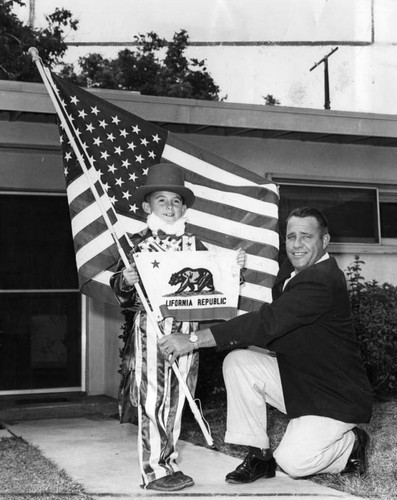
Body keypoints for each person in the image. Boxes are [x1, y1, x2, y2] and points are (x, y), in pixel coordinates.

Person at [159, 206, 373, 483]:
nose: (296, 245)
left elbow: (266, 323)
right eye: (291, 236)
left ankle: (351, 444)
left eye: (306, 236)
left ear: (325, 240)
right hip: (301, 380)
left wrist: (193, 340)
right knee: (239, 362)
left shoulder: (322, 280)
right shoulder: (294, 269)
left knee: (293, 463)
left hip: (334, 396)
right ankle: (259, 458)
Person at [110, 162, 245, 491]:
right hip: (151, 332)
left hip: (187, 333)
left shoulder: (195, 245)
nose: (169, 208)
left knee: (177, 399)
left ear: (183, 207)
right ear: (147, 206)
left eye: (175, 201)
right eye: (161, 201)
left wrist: (234, 268)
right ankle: (153, 471)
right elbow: (120, 293)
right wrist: (125, 280)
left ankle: (168, 463)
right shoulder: (136, 245)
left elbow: (216, 286)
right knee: (153, 398)